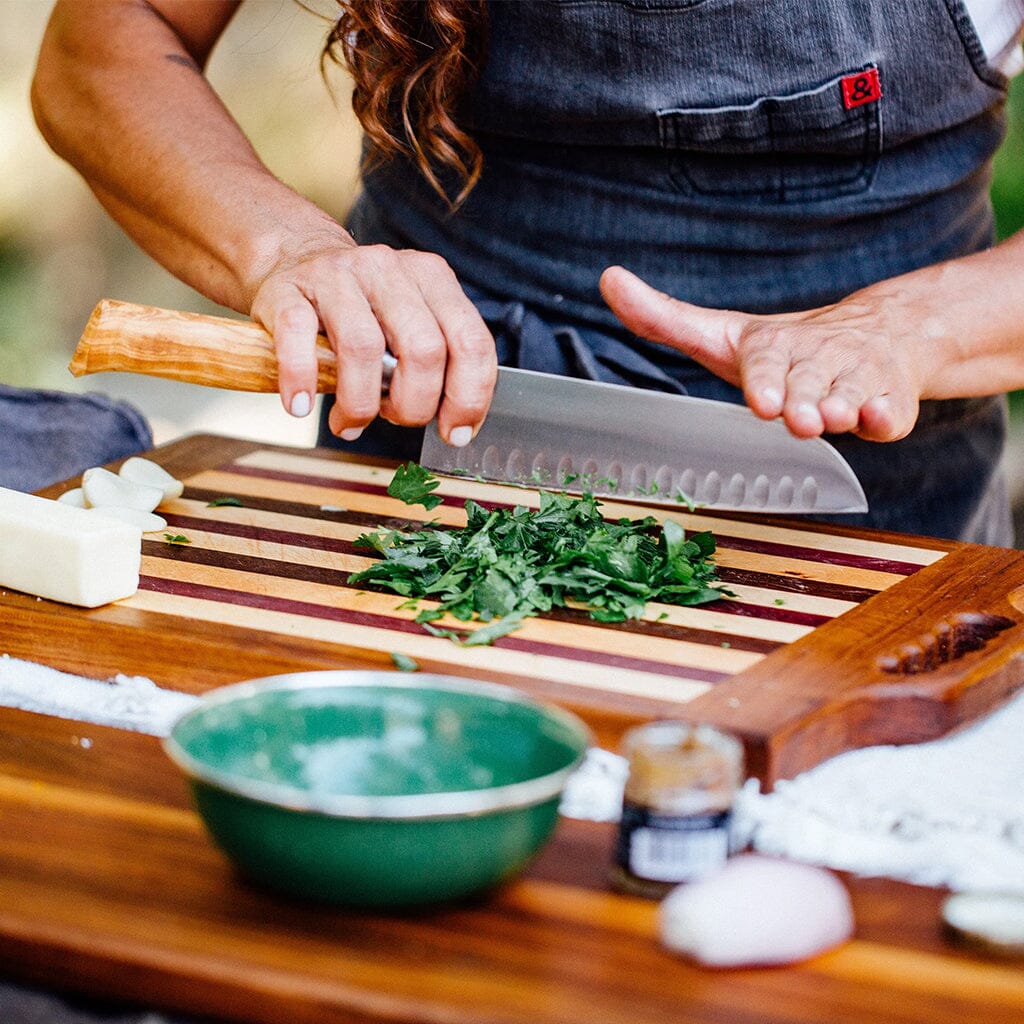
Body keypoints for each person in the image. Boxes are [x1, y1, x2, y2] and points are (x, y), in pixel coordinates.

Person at [30, 0, 1024, 543]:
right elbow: (100, 50)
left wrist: (914, 328)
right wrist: (286, 250)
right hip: (415, 489)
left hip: (869, 524)